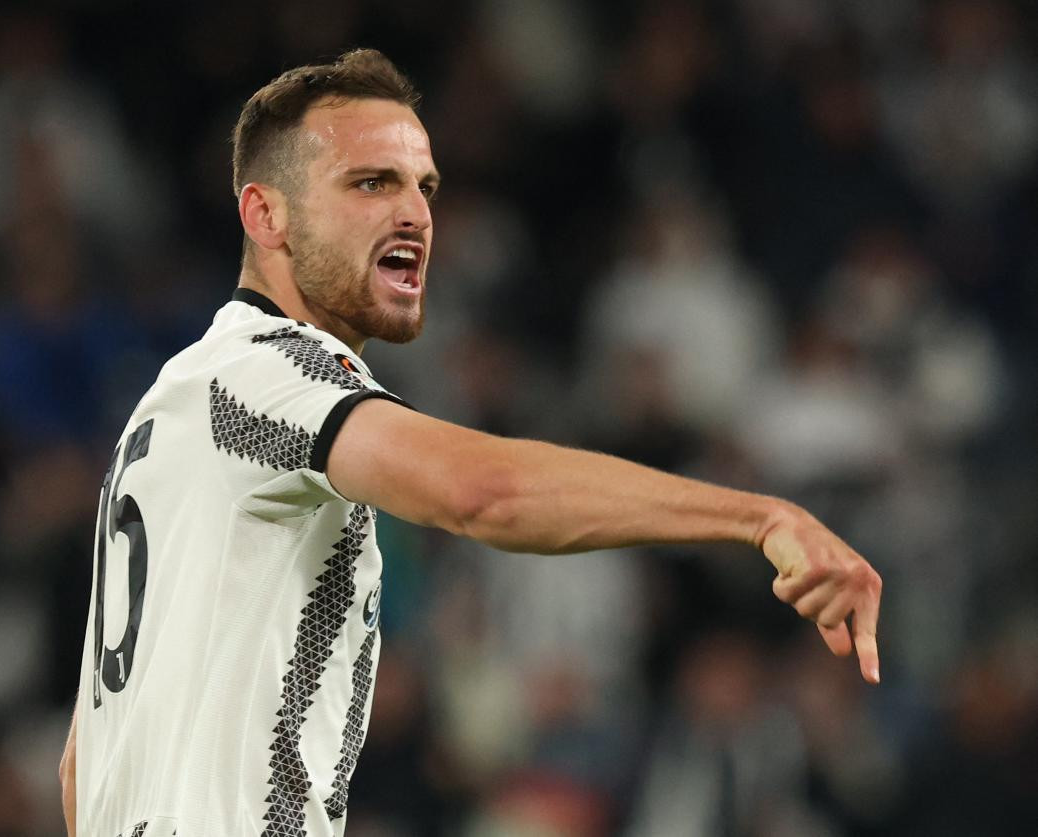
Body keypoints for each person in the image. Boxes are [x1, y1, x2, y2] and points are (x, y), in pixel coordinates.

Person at [59, 49, 882, 837]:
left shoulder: (164, 413)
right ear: (264, 213)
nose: (413, 210)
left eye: (424, 186)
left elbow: (78, 764)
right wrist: (758, 516)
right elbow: (485, 492)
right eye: (369, 182)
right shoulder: (267, 371)